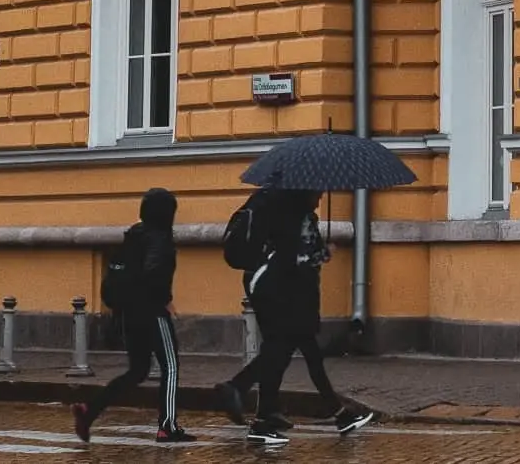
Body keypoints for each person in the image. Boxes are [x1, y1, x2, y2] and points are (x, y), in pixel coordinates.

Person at [213, 188, 372, 440]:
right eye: (317, 193)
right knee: (289, 351)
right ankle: (244, 394)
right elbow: (303, 257)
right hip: (289, 293)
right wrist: (325, 250)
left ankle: (267, 411)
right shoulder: (300, 215)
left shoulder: (278, 205)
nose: (320, 198)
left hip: (269, 286)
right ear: (305, 192)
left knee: (282, 351)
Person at [73, 188, 193, 443]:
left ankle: (90, 411)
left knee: (137, 372)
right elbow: (154, 274)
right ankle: (168, 426)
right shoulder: (159, 238)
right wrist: (165, 301)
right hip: (152, 312)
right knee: (170, 367)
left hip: (128, 314)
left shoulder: (133, 236)